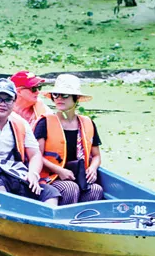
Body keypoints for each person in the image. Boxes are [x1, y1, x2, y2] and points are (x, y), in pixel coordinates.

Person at [34, 75, 104, 205]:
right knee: (70, 188)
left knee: (96, 189)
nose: (59, 98)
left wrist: (93, 168)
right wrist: (60, 171)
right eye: (56, 95)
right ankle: (62, 222)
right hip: (51, 177)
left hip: (79, 176)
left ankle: (82, 223)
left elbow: (96, 156)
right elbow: (36, 155)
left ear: (76, 98)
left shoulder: (87, 123)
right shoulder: (45, 122)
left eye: (64, 95)